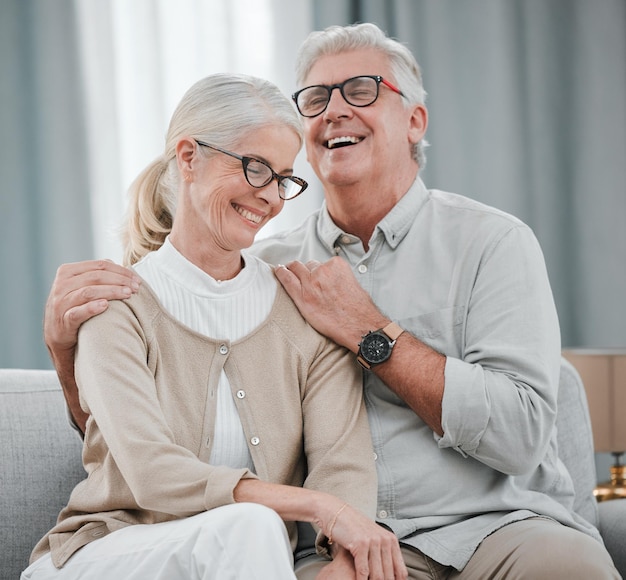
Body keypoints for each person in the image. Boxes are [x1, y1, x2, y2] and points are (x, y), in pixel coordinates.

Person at [42, 23, 621, 580]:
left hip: (497, 530)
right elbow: (140, 432)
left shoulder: (492, 243)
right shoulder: (265, 271)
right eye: (316, 98)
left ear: (415, 119)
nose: (335, 109)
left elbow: (521, 435)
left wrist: (371, 331)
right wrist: (67, 359)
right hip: (338, 542)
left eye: (361, 90)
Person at [24, 72, 408, 580]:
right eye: (255, 169)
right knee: (251, 524)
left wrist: (340, 557)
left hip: (245, 561)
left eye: (285, 178)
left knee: (256, 529)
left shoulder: (305, 309)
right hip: (107, 554)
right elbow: (152, 472)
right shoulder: (115, 304)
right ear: (188, 157)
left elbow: (344, 462)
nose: (271, 197)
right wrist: (317, 507)